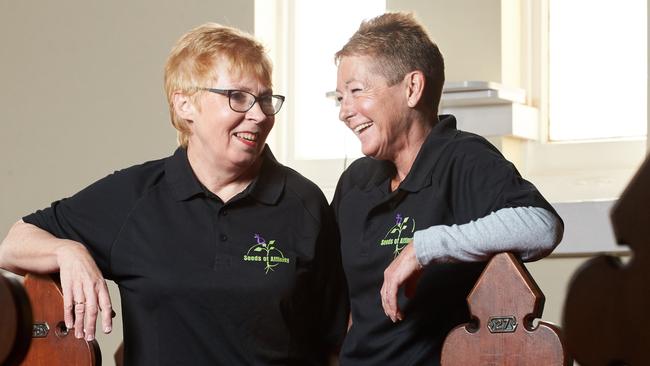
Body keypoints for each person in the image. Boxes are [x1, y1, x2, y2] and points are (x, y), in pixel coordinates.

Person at [0, 23, 347, 365]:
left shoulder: (304, 203)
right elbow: (12, 245)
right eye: (238, 97)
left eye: (265, 99)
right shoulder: (134, 198)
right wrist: (67, 250)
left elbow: (334, 343)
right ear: (185, 105)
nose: (258, 115)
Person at [331, 12, 563, 365]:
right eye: (340, 97)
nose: (345, 111)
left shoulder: (463, 159)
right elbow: (346, 304)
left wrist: (424, 247)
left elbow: (542, 226)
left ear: (412, 88)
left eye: (356, 91)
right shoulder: (355, 180)